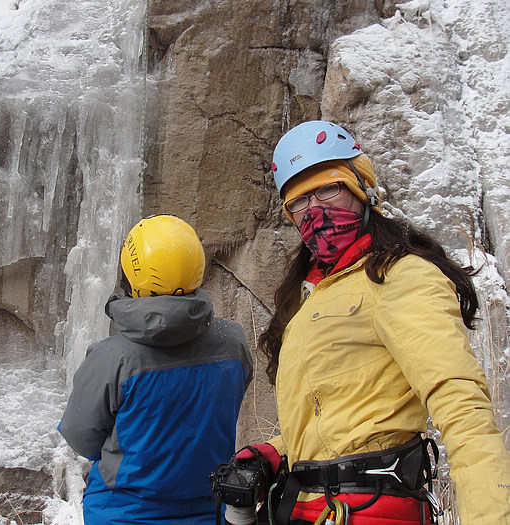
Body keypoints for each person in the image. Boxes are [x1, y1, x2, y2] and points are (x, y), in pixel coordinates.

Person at [239, 120, 510, 525]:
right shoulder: (314, 294)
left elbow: (462, 409)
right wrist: (276, 453)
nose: (315, 210)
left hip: (370, 511)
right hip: (309, 509)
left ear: (362, 189)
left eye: (329, 189)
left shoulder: (399, 276)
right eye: (299, 201)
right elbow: (338, 418)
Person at [58, 214, 253, 525]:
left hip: (122, 512)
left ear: (132, 275)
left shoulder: (112, 357)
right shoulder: (233, 342)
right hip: (210, 507)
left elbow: (82, 437)